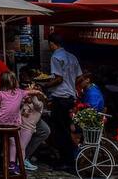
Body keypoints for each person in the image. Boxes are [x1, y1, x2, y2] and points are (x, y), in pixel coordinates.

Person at [0, 71, 44, 174]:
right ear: (15, 82)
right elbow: (31, 92)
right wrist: (39, 92)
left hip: (0, 122)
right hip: (13, 125)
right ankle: (12, 164)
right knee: (14, 141)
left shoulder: (1, 93)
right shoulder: (20, 92)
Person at [43, 33, 82, 171]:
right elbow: (79, 77)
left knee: (60, 130)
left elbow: (58, 78)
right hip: (70, 96)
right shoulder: (72, 57)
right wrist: (70, 85)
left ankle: (65, 160)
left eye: (49, 44)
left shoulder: (55, 57)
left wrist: (45, 85)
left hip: (60, 97)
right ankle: (69, 159)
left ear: (52, 43)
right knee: (66, 128)